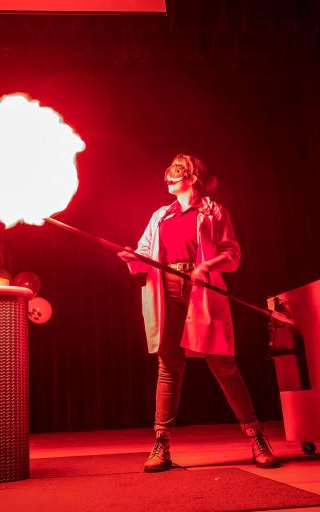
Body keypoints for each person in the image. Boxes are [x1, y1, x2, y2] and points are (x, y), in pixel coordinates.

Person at [117, 154, 280, 471]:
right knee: (168, 366)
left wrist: (208, 266)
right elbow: (143, 251)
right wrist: (130, 256)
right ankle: (161, 444)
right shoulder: (161, 216)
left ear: (192, 177)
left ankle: (256, 436)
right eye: (169, 171)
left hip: (201, 291)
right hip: (166, 290)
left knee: (224, 365)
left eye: (177, 171)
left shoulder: (213, 211)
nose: (170, 176)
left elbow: (232, 253)